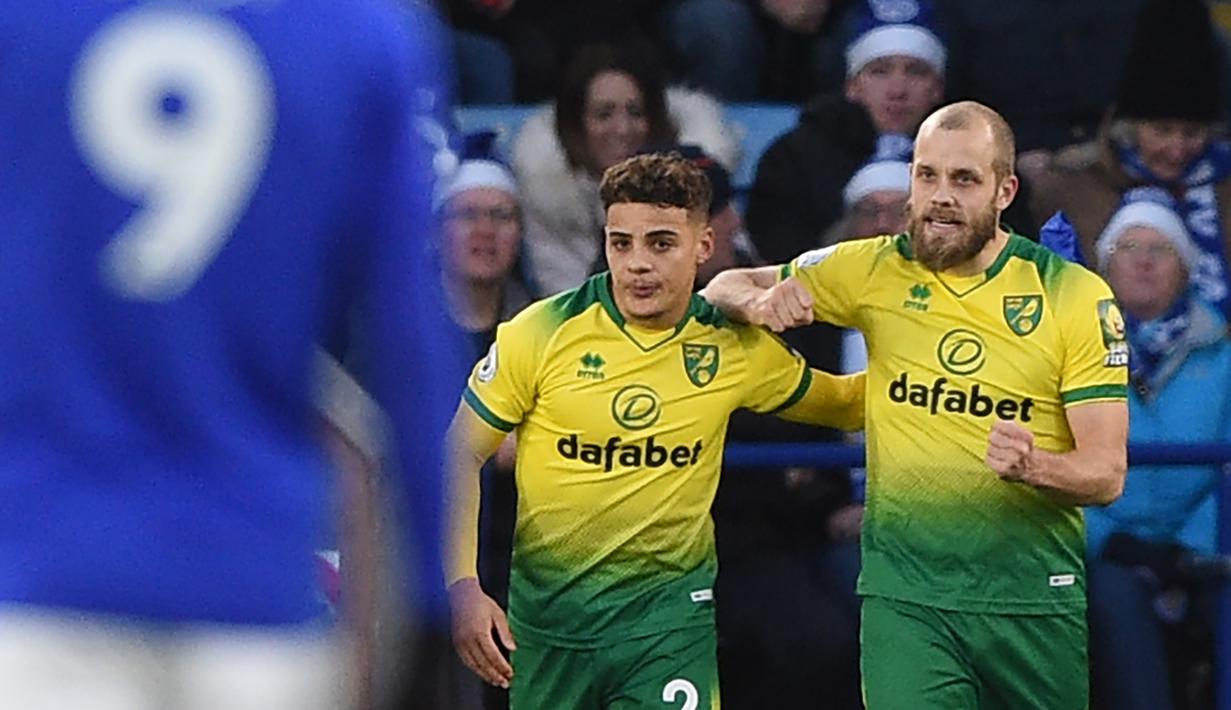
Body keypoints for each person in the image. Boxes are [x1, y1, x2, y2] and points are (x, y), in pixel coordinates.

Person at [0, 2, 463, 709]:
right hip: (253, 590)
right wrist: (433, 597)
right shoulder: (360, 29)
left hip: (45, 582)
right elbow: (410, 338)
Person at [703, 101, 1131, 708]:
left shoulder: (1072, 295)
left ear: (1005, 191)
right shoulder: (876, 266)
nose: (941, 197)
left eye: (964, 179)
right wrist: (758, 304)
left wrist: (1036, 466)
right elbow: (726, 283)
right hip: (906, 602)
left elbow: (1106, 473)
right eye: (927, 175)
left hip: (1030, 601)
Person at [445, 152, 866, 708]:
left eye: (661, 243)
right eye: (622, 243)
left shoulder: (731, 346)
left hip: (668, 628)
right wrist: (463, 587)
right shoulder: (541, 331)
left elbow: (846, 403)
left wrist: (924, 353)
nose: (638, 264)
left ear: (703, 246)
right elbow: (460, 453)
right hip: (551, 632)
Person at [1080, 197, 1231, 710]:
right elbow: (1046, 458)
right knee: (1115, 600)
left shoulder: (1223, 353)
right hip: (1105, 550)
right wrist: (1109, 542)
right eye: (1128, 248)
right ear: (1105, 267)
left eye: (1160, 249)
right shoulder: (1068, 348)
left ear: (1185, 268)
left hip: (1206, 547)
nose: (1144, 261)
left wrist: (1192, 549)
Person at [1031, 0, 1231, 319]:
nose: (1177, 149)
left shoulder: (1225, 187)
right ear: (1131, 128)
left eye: (1191, 133)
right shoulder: (1071, 190)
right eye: (1163, 131)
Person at [511, 43, 738, 294]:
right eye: (604, 114)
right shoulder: (547, 200)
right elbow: (567, 304)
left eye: (635, 113)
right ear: (575, 125)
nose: (622, 129)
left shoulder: (704, 181)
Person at [744, 0, 943, 264]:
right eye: (880, 72)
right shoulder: (795, 158)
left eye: (916, 72)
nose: (898, 90)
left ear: (938, 88)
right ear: (852, 86)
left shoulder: (970, 155)